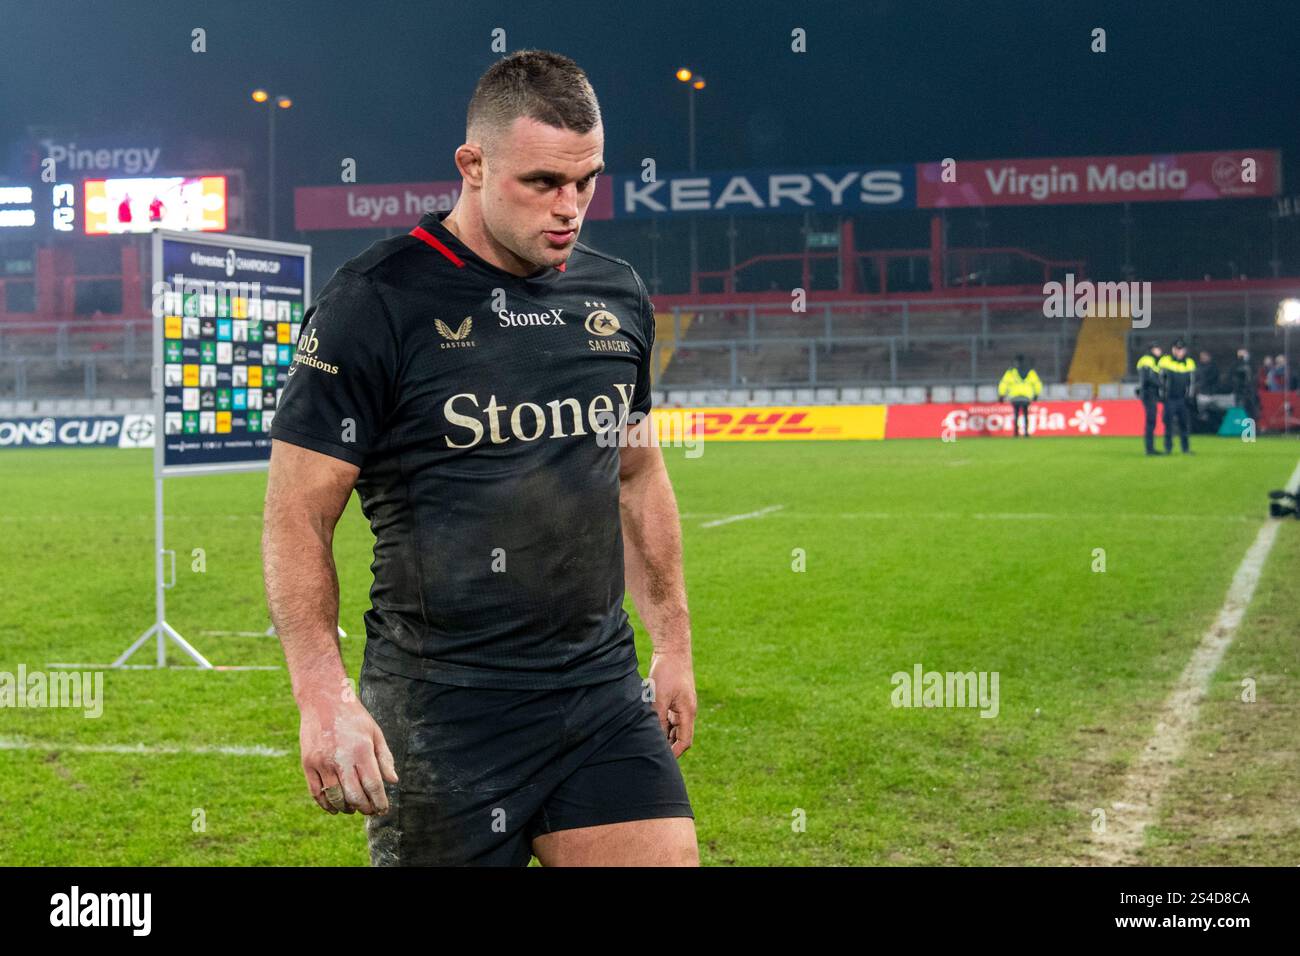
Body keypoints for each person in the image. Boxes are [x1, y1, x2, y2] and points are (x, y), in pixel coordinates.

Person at [262, 50, 698, 866]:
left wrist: (672, 641)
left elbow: (638, 477)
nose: (569, 208)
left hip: (599, 696)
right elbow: (297, 513)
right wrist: (321, 693)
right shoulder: (375, 302)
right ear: (472, 165)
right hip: (442, 714)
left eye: (587, 180)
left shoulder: (617, 297)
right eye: (542, 183)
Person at [1158, 338, 1196, 454]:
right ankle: (1168, 448)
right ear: (1173, 349)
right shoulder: (1165, 361)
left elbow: (1192, 382)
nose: (1179, 352)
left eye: (1181, 349)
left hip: (1182, 399)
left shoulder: (1189, 363)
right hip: (1169, 398)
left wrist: (1190, 397)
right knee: (1168, 425)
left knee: (1184, 425)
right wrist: (1162, 395)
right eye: (1177, 349)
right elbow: (1160, 380)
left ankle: (1185, 449)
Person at [997, 354, 1043, 437]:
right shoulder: (1030, 372)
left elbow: (1003, 383)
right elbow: (1037, 383)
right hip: (1026, 396)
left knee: (1016, 414)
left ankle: (1016, 432)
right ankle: (1026, 432)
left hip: (1015, 397)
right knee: (1026, 413)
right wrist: (1036, 394)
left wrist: (1001, 395)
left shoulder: (1010, 372)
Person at [1135, 343, 1163, 455]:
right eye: (1158, 348)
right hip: (1148, 393)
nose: (1160, 350)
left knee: (1151, 420)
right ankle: (1149, 449)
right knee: (1151, 420)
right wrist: (1161, 384)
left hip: (1150, 394)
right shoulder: (1147, 360)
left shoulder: (1151, 360)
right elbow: (1148, 378)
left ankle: (1150, 448)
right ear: (1152, 350)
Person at [1232, 348, 1261, 424]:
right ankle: (1239, 424)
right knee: (1239, 407)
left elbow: (1254, 375)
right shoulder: (1236, 364)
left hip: (1250, 390)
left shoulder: (1251, 364)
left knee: (1251, 408)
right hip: (1239, 390)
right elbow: (1233, 374)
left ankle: (1252, 425)